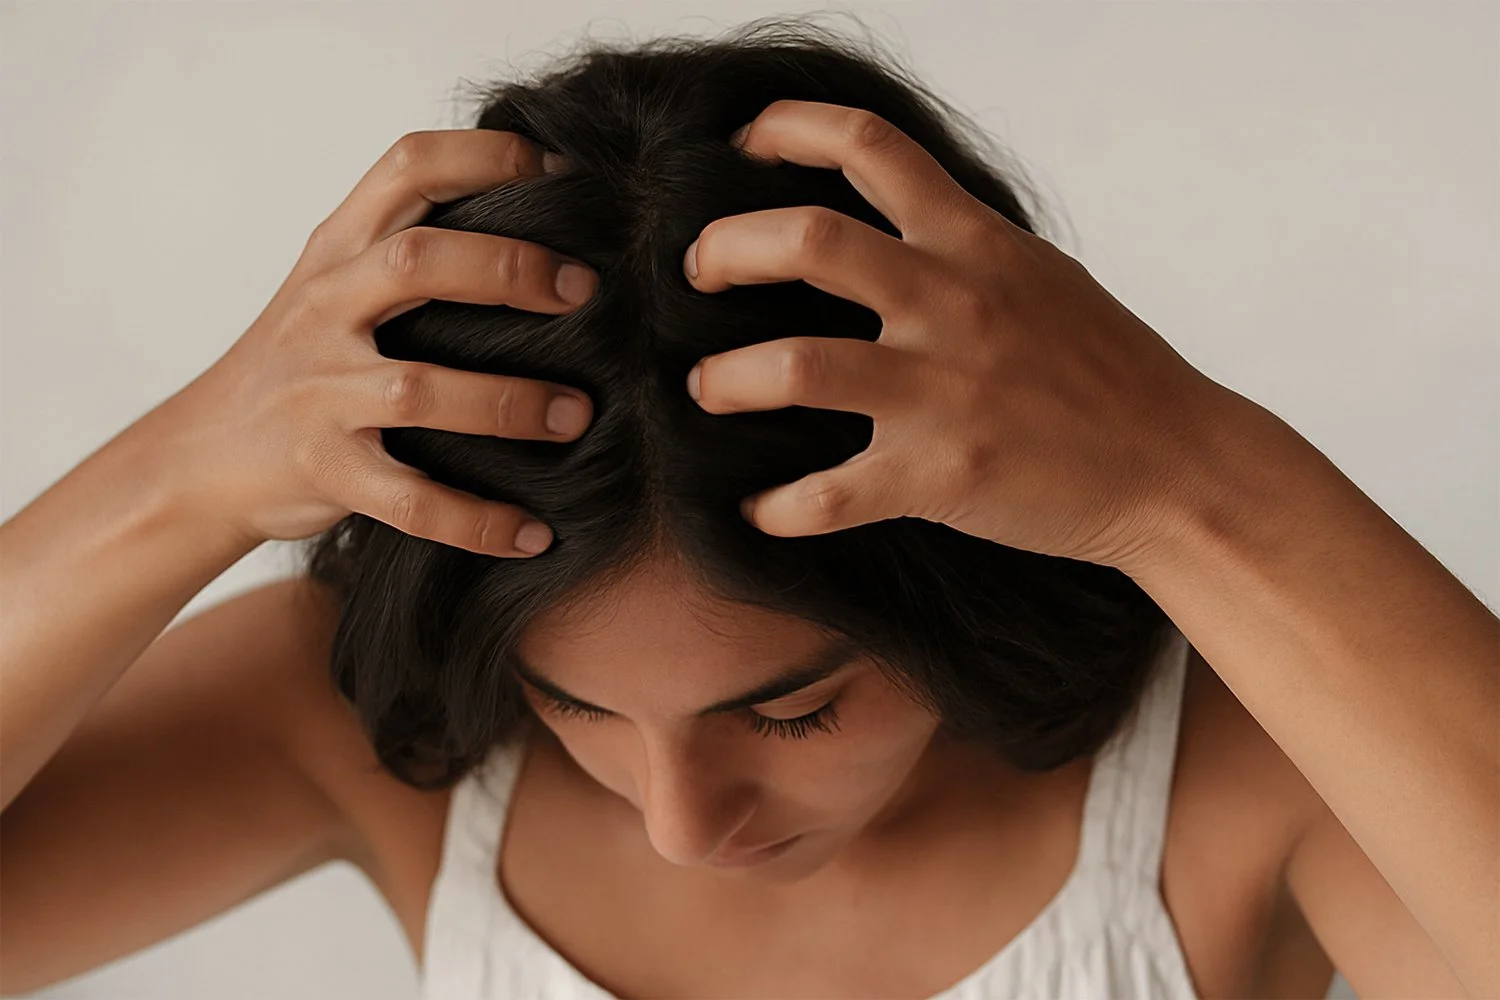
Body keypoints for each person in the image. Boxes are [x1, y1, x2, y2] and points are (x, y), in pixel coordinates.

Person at [2, 16, 1492, 1000]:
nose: (679, 826)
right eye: (570, 707)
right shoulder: (375, 723)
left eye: (788, 713)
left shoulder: (1243, 774)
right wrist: (180, 471)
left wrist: (1186, 469)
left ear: (963, 579)